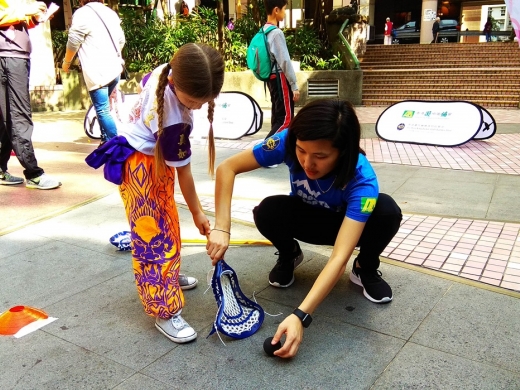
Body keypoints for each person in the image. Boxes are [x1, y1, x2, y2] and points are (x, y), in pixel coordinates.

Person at [207, 99, 402, 358]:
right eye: (301, 151)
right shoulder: (288, 140)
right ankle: (290, 254)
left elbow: (338, 257)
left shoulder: (361, 179)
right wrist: (222, 228)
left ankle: (364, 268)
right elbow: (227, 168)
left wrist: (300, 316)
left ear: (343, 152)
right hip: (307, 217)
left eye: (320, 156)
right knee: (268, 210)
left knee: (387, 210)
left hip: (346, 227)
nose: (308, 163)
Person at [86, 43, 225, 344]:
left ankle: (169, 277)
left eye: (203, 102)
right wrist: (200, 213)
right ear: (175, 82)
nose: (197, 108)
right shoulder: (175, 121)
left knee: (168, 227)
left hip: (149, 164)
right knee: (153, 239)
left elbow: (146, 80)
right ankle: (163, 308)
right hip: (142, 169)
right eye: (193, 101)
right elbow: (185, 175)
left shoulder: (166, 70)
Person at [0, 0, 61, 189]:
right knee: (18, 115)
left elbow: (18, 22)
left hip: (16, 55)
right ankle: (33, 174)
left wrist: (37, 18)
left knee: (8, 117)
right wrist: (26, 10)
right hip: (9, 57)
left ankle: (2, 169)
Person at [62, 0, 125, 144]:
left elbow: (73, 41)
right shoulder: (110, 13)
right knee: (104, 109)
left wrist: (66, 63)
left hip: (98, 72)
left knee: (102, 110)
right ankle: (105, 140)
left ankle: (114, 146)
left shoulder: (82, 13)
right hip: (114, 69)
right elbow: (121, 40)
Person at [263, 0, 300, 139]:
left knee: (278, 118)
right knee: (286, 119)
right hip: (280, 79)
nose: (285, 12)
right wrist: (294, 85)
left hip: (271, 80)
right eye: (284, 9)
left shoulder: (264, 31)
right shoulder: (276, 33)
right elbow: (284, 61)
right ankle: (264, 151)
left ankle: (278, 153)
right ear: (276, 10)